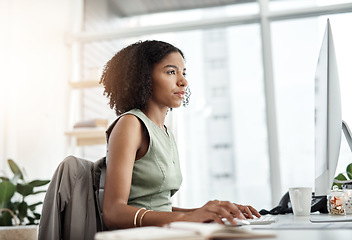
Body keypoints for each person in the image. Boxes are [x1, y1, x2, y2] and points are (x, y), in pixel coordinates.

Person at [99, 40, 260, 229]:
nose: (183, 81)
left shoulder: (165, 133)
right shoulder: (131, 124)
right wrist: (186, 219)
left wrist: (210, 212)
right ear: (143, 77)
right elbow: (113, 212)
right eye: (171, 72)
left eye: (183, 73)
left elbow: (159, 207)